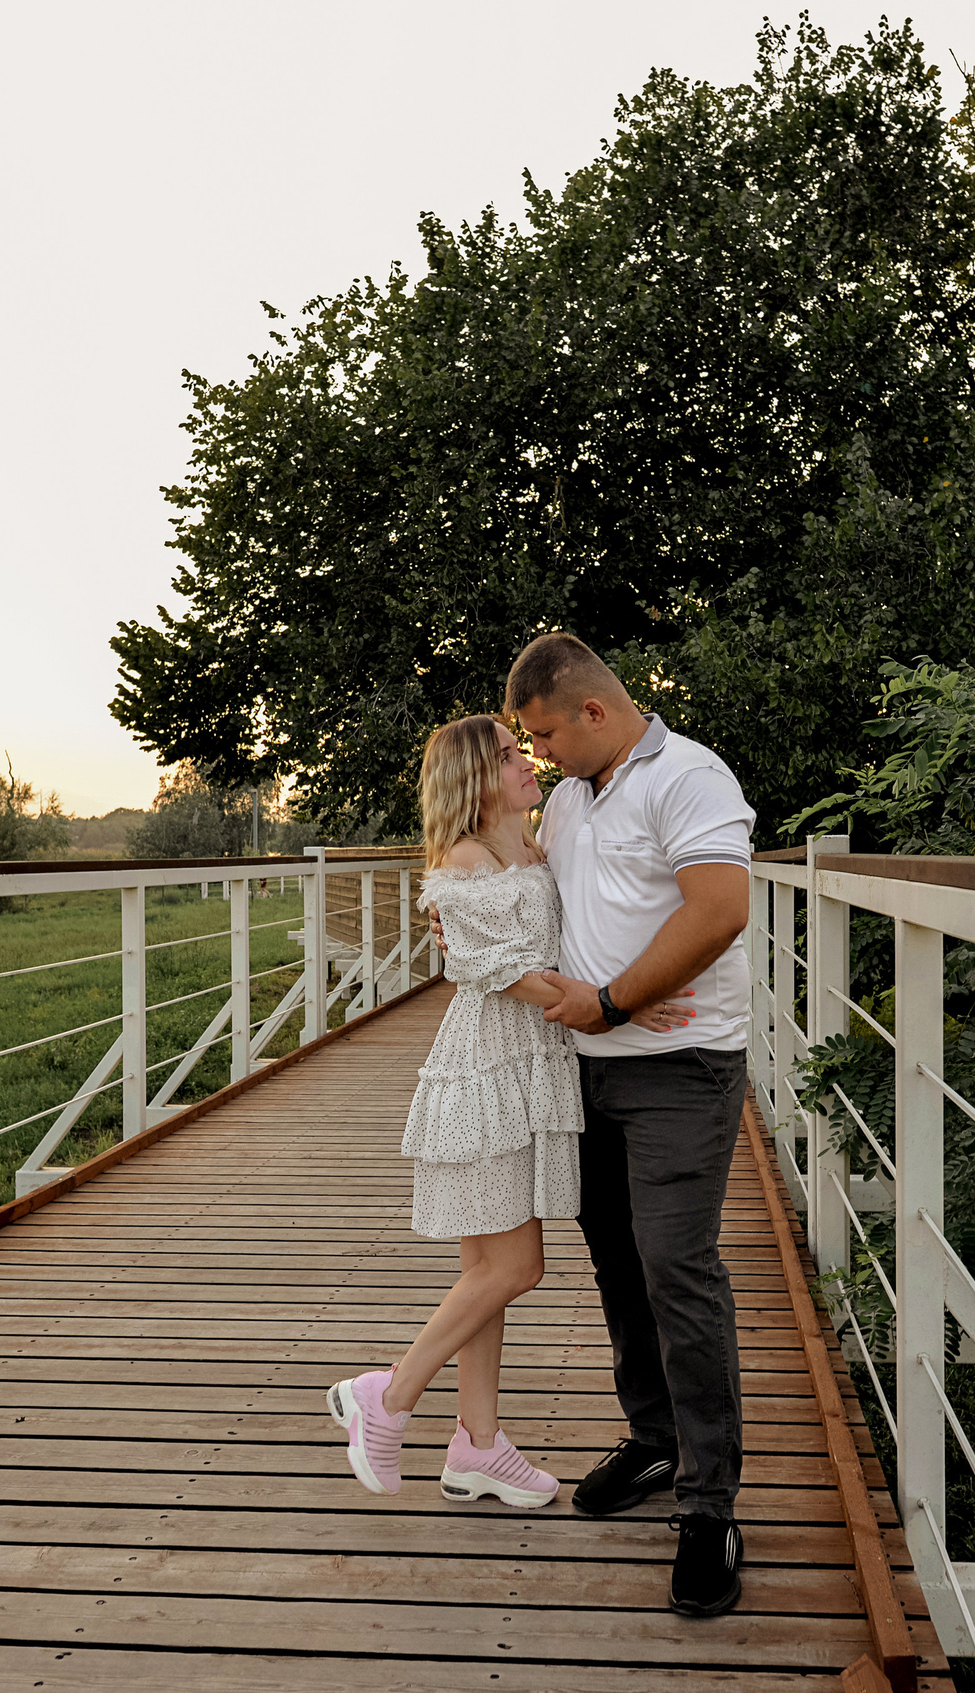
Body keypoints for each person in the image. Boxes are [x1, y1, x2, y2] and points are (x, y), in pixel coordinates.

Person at [327, 714, 692, 1507]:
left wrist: (629, 983)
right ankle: (385, 1397)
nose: (525, 760)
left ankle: (478, 1444)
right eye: (505, 753)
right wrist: (612, 1004)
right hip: (488, 1070)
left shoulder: (538, 840)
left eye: (521, 746)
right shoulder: (465, 858)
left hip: (532, 1068)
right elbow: (490, 964)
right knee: (513, 1267)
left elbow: (584, 918)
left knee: (484, 1272)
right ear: (472, 777)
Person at [506, 631, 758, 1620]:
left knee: (675, 1269)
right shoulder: (571, 799)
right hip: (584, 1070)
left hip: (679, 1068)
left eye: (544, 733)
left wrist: (612, 999)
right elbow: (529, 891)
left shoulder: (688, 777)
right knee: (616, 1263)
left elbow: (719, 910)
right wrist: (465, 915)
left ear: (594, 713)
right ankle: (654, 1436)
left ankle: (710, 1502)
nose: (539, 754)